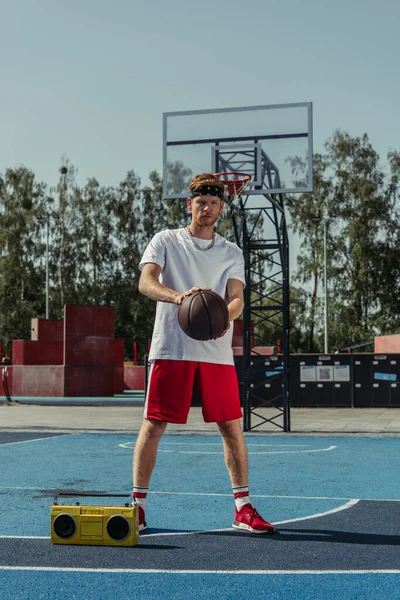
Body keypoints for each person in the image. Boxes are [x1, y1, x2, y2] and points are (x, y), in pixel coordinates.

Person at [133, 173, 275, 535]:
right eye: (201, 203)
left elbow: (238, 298)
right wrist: (180, 297)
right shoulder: (166, 240)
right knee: (154, 424)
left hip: (215, 351)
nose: (207, 209)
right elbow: (145, 282)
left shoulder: (231, 252)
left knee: (230, 426)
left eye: (213, 203)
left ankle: (242, 508)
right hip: (171, 348)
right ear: (189, 204)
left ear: (221, 207)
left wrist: (222, 316)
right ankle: (137, 507)